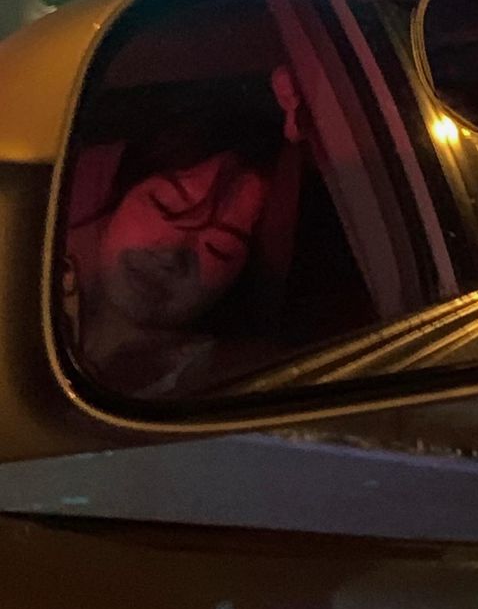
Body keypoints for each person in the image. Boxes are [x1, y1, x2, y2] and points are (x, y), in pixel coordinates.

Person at [63, 67, 303, 399]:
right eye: (166, 205)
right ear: (121, 194)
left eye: (221, 249)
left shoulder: (228, 378)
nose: (174, 253)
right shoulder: (26, 278)